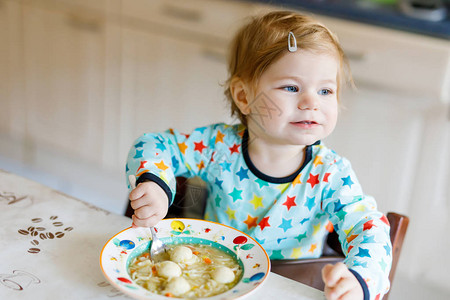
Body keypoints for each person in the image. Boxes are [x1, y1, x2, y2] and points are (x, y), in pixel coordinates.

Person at [126, 11, 392, 300]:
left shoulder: (331, 173)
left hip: (291, 289)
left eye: (326, 90)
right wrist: (157, 184)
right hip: (216, 284)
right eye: (291, 87)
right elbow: (154, 144)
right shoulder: (217, 147)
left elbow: (369, 228)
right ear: (243, 96)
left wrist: (360, 278)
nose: (312, 103)